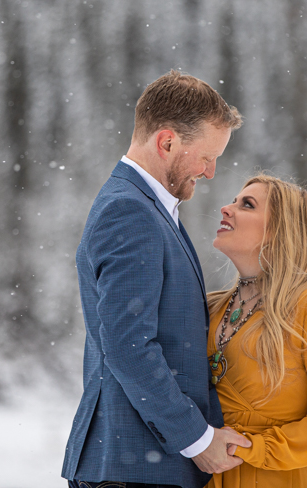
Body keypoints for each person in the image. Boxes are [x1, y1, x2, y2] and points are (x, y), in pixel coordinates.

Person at [62, 70, 248, 488]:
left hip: (142, 466)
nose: (211, 171)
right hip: (135, 469)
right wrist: (197, 440)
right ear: (167, 142)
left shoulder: (150, 209)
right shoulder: (129, 212)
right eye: (207, 156)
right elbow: (127, 345)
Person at [206, 175, 307, 488]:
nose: (226, 208)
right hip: (203, 476)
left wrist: (258, 448)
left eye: (246, 205)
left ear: (279, 230)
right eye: (234, 201)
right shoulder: (210, 306)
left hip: (273, 478)